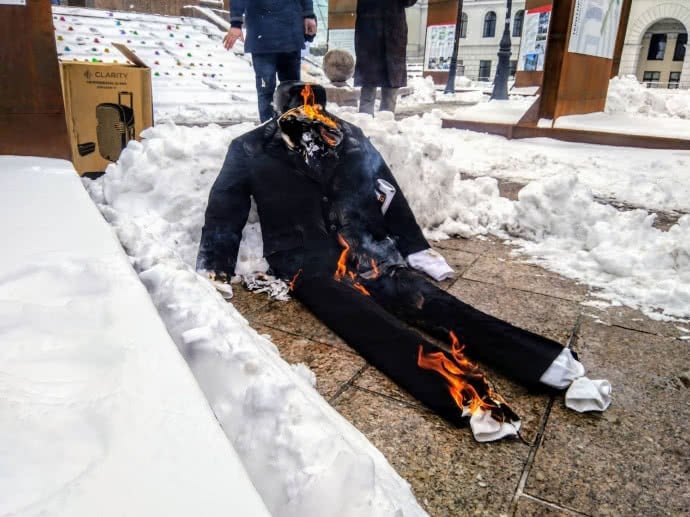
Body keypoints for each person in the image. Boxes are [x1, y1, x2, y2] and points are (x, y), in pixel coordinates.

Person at [197, 81, 610, 441]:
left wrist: (413, 247)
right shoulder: (251, 148)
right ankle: (466, 396)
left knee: (433, 303)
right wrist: (216, 265)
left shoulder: (351, 137)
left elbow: (387, 191)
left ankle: (548, 365)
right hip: (304, 257)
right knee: (366, 320)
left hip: (367, 247)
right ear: (278, 111)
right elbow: (225, 206)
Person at [223, 0, 317, 123]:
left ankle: (291, 130)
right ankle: (267, 130)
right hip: (262, 34)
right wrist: (236, 23)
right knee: (266, 89)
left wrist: (309, 14)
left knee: (292, 89)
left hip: (290, 32)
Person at [354, 0, 416, 115]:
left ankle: (386, 119)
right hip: (369, 28)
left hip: (393, 31)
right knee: (369, 78)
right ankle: (364, 121)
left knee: (391, 77)